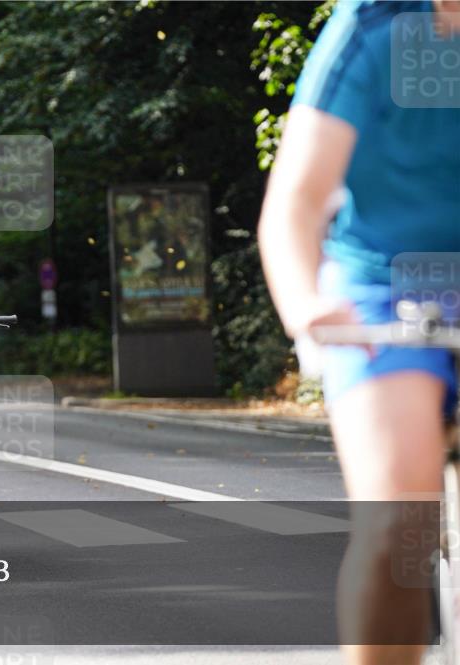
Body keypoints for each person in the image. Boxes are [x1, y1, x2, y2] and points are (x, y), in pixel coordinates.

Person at [258, 1, 460, 662]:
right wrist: (305, 305)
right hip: (383, 292)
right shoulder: (374, 26)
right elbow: (295, 202)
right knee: (399, 523)